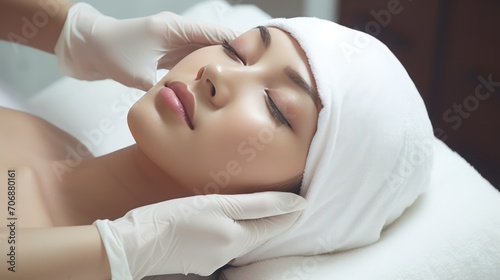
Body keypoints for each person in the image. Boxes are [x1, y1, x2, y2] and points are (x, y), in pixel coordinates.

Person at [1, 2, 435, 280]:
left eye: (277, 108)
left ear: (289, 211)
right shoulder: (41, 136)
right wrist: (74, 30)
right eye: (236, 51)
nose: (218, 74)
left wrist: (116, 254)